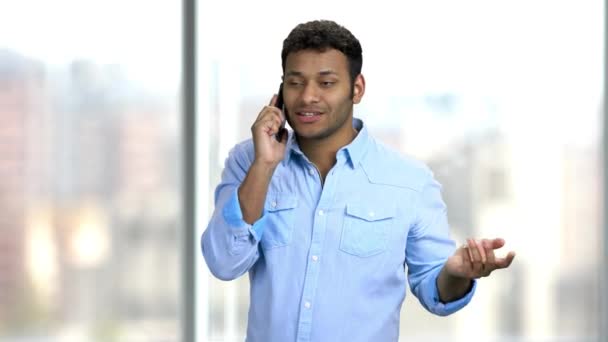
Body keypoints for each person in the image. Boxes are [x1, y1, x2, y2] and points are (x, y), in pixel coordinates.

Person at [202, 20, 516, 342]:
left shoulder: (410, 182)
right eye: (295, 83)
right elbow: (225, 262)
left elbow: (434, 288)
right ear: (281, 91)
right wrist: (264, 165)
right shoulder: (250, 161)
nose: (308, 96)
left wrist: (457, 274)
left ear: (357, 88)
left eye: (326, 83)